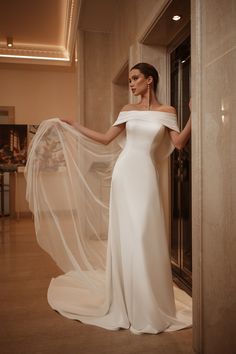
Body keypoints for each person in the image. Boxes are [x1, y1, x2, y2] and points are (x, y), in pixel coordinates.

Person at [25, 62, 192, 335]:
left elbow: (179, 143)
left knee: (143, 235)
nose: (131, 83)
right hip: (125, 175)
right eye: (129, 79)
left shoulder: (167, 112)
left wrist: (193, 117)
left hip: (146, 177)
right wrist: (74, 124)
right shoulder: (127, 111)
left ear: (149, 80)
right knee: (128, 236)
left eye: (135, 78)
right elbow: (104, 139)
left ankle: (148, 303)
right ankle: (126, 301)